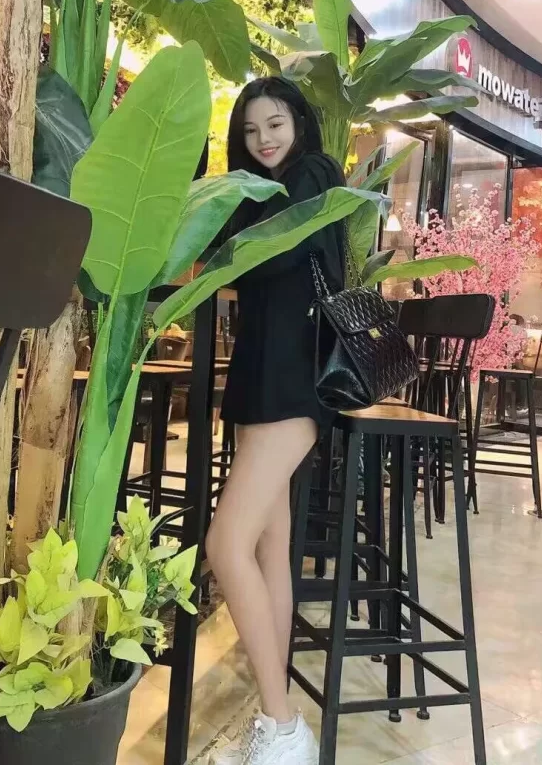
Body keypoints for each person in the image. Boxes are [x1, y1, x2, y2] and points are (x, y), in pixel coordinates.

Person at [206, 77, 346, 765]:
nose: (263, 138)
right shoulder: (256, 188)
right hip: (260, 382)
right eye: (251, 129)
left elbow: (269, 251)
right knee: (266, 547)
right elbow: (224, 254)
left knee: (224, 543)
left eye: (275, 124)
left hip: (293, 383)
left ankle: (284, 726)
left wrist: (234, 224)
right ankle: (276, 713)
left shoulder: (313, 172)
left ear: (299, 124)